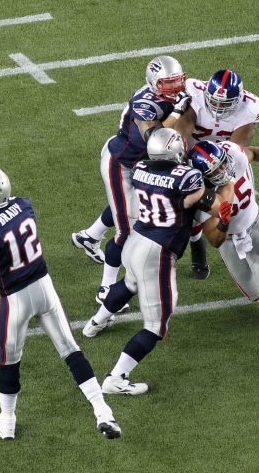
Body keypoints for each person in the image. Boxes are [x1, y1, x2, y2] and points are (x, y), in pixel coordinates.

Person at [0, 167, 121, 441]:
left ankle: (7, 422)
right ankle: (103, 412)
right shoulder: (23, 205)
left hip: (15, 300)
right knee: (71, 350)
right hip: (44, 288)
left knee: (9, 361)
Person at [81, 128, 219, 395]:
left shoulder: (141, 167)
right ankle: (116, 378)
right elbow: (202, 201)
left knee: (129, 282)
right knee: (156, 325)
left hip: (135, 241)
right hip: (157, 250)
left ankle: (95, 323)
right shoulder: (188, 178)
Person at [69, 56, 208, 303]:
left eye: (177, 81)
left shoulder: (177, 91)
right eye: (168, 83)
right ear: (155, 82)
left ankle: (90, 236)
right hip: (122, 164)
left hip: (148, 164)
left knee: (133, 205)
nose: (175, 87)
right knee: (127, 231)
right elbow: (153, 136)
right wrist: (177, 110)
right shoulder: (145, 103)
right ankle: (106, 287)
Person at [189, 140, 259, 362]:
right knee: (254, 294)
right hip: (229, 241)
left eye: (222, 164)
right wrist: (224, 221)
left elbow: (255, 153)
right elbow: (215, 240)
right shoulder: (199, 195)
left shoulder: (234, 156)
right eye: (215, 170)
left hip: (254, 223)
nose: (222, 170)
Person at [174, 68, 259, 146]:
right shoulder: (196, 93)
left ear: (238, 100)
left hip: (223, 156)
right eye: (214, 100)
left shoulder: (250, 107)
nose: (218, 107)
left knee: (239, 152)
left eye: (225, 103)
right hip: (191, 148)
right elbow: (182, 131)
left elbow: (235, 150)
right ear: (207, 93)